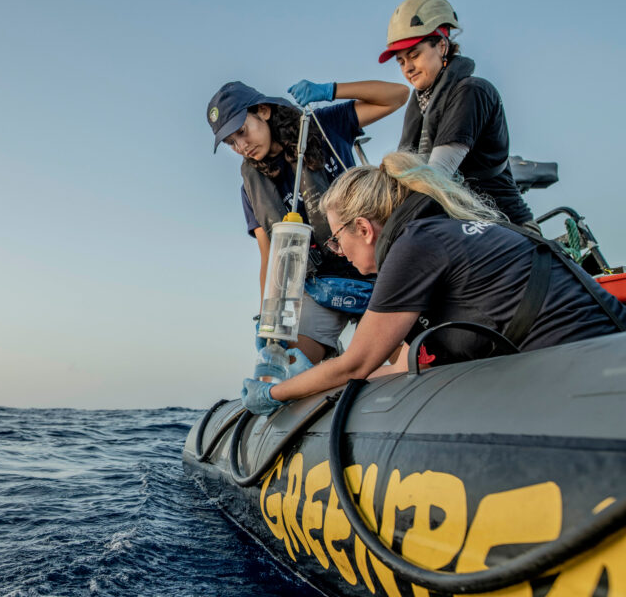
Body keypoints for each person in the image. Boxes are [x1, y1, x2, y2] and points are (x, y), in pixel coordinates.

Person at [240, 151, 626, 416]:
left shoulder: (414, 245)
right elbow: (402, 363)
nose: (339, 251)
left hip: (589, 374)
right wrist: (308, 384)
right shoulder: (438, 233)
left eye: (338, 239)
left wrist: (274, 393)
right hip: (596, 357)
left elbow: (356, 363)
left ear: (363, 228)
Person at [207, 78, 408, 363]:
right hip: (320, 284)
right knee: (289, 364)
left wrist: (331, 91)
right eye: (231, 142)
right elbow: (270, 255)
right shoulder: (251, 187)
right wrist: (270, 317)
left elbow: (398, 96)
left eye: (242, 131)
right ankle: (330, 360)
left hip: (374, 268)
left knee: (407, 359)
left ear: (263, 111)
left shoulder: (323, 128)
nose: (241, 146)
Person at [378, 0, 536, 228]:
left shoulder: (471, 92)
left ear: (442, 46)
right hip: (461, 226)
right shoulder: (422, 103)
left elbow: (437, 176)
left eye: (414, 55)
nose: (407, 68)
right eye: (401, 62)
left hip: (504, 227)